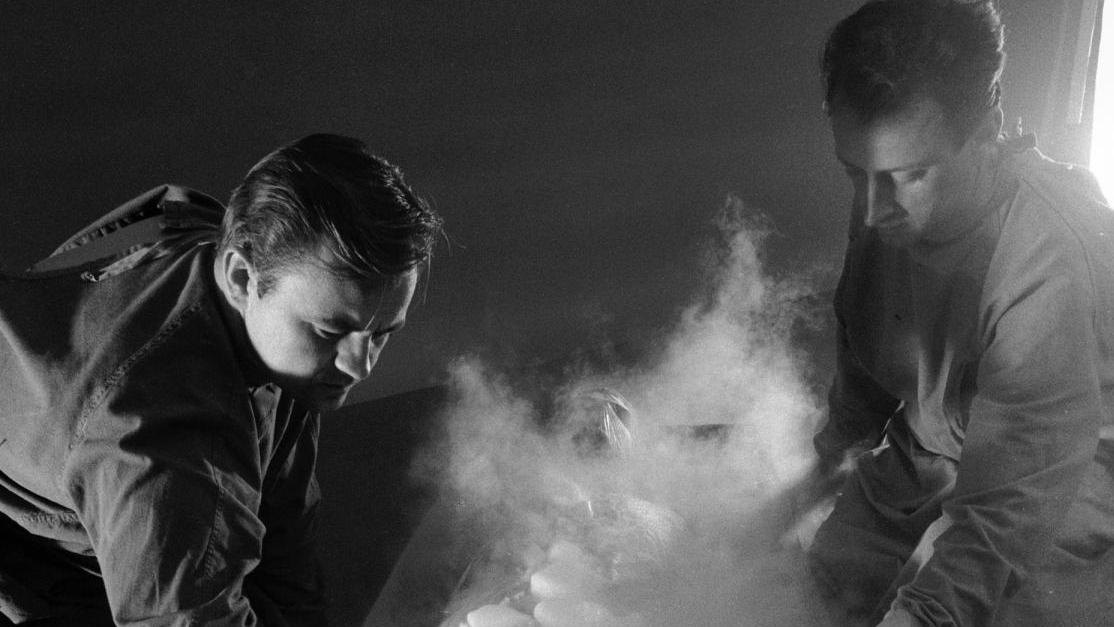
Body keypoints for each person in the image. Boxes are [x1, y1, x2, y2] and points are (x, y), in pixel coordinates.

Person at [0, 133, 442, 625]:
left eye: (381, 332)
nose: (360, 365)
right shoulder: (162, 442)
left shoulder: (230, 246)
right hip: (32, 551)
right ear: (240, 279)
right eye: (330, 330)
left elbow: (285, 546)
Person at [807, 1, 1114, 625]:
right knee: (829, 576)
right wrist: (830, 459)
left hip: (1065, 477)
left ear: (985, 132)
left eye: (911, 174)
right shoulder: (883, 200)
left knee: (976, 607)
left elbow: (1008, 509)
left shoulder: (1049, 257)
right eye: (854, 173)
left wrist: (923, 612)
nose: (871, 210)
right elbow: (866, 348)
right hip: (934, 447)